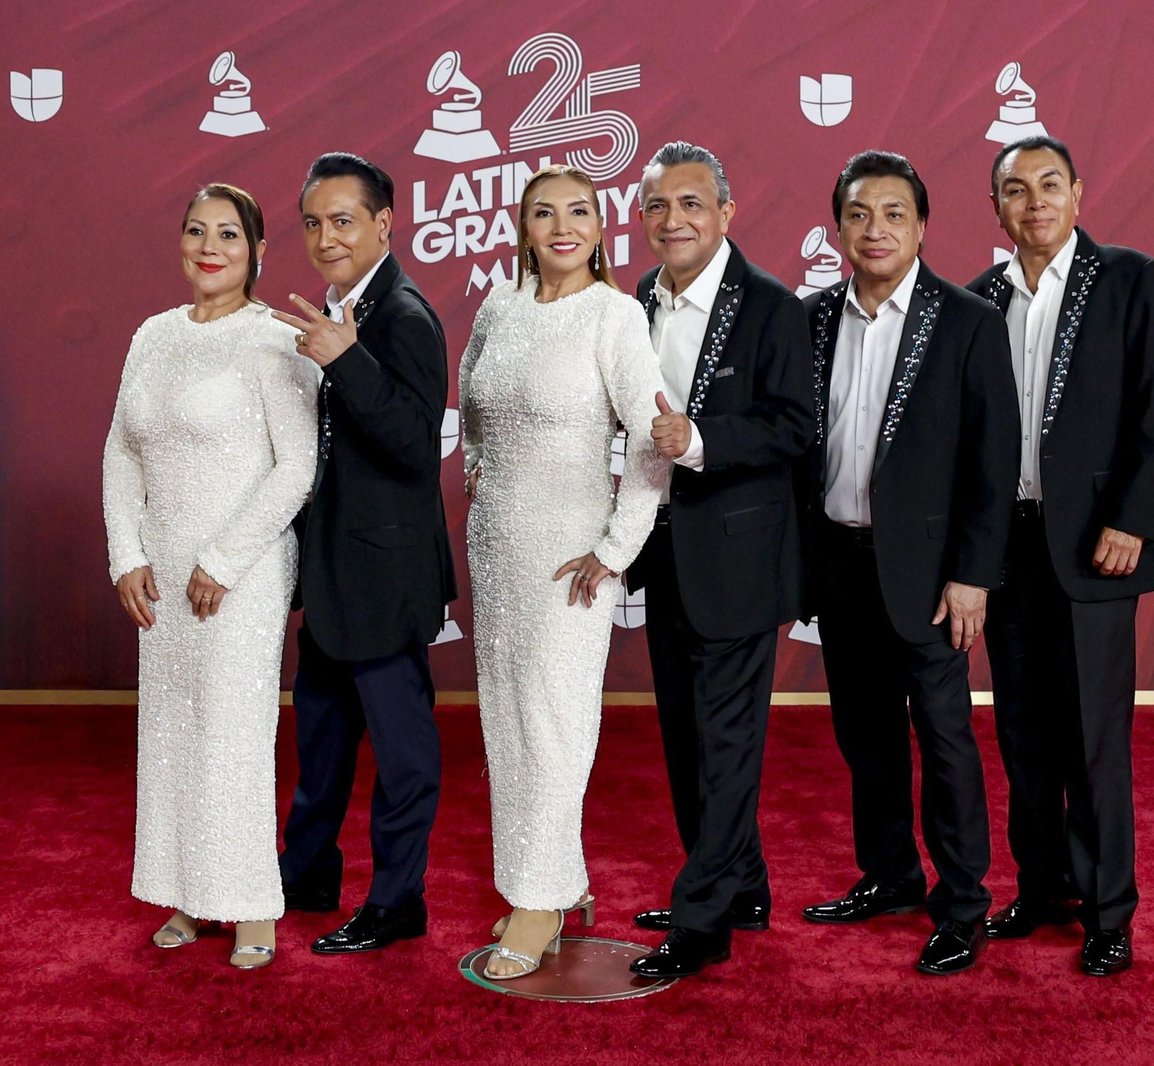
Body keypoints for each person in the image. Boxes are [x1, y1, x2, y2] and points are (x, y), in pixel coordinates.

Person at [966, 136, 1154, 976]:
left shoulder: (1132, 279)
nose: (1035, 203)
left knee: (1094, 735)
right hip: (1008, 546)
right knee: (1023, 731)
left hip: (1100, 546)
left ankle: (1108, 910)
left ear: (1078, 193)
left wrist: (1132, 517)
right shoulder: (980, 298)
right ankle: (1043, 885)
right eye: (1016, 191)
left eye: (1049, 185)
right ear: (997, 208)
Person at [798, 151, 1019, 975]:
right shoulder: (811, 317)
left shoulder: (966, 322)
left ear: (922, 226)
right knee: (866, 737)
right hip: (841, 564)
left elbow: (992, 465)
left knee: (945, 738)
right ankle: (889, 874)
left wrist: (973, 576)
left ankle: (963, 905)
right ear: (839, 226)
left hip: (932, 579)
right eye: (859, 213)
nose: (876, 229)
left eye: (894, 213)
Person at [458, 164, 667, 979]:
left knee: (552, 729)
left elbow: (655, 441)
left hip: (570, 561)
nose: (562, 227)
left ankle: (538, 903)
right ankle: (558, 880)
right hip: (497, 550)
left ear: (600, 225)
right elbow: (473, 396)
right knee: (507, 725)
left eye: (578, 211)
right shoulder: (499, 306)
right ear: (523, 227)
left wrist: (615, 551)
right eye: (544, 213)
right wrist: (479, 461)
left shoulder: (613, 315)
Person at [103, 183, 318, 970]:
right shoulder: (151, 336)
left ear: (260, 251)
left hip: (243, 568)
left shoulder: (273, 340)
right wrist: (125, 552)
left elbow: (296, 465)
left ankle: (252, 907)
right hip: (160, 568)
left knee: (232, 733)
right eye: (197, 230)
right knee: (170, 731)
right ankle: (187, 894)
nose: (211, 246)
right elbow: (122, 449)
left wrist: (224, 561)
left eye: (230, 234)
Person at [625, 142, 817, 980]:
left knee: (727, 740)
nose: (675, 220)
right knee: (685, 737)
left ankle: (702, 921)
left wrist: (701, 440)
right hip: (660, 548)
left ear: (727, 213)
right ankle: (739, 885)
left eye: (692, 203)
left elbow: (794, 425)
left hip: (739, 557)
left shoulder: (774, 307)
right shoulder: (633, 300)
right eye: (659, 206)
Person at [270, 153, 457, 955]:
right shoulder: (337, 309)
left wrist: (345, 357)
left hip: (385, 578)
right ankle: (305, 876)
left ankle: (396, 902)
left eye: (342, 220)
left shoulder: (404, 316)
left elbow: (418, 447)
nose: (325, 237)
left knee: (403, 752)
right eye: (313, 223)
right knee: (319, 743)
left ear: (385, 223)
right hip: (333, 575)